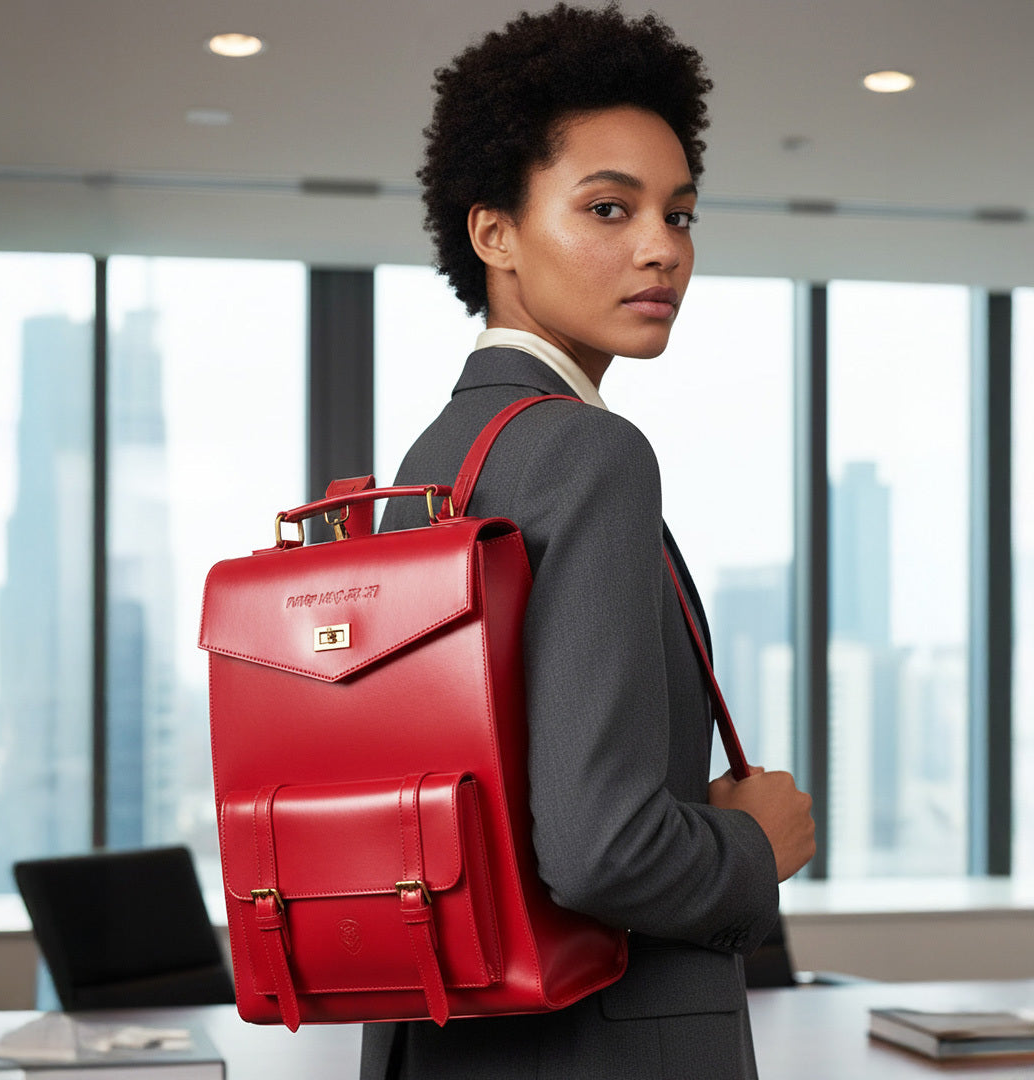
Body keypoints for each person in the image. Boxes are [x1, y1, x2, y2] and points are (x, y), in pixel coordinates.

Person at [361, 5, 816, 1078]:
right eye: (609, 209)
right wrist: (758, 844)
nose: (662, 247)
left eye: (681, 213)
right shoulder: (590, 455)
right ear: (494, 234)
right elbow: (600, 851)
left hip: (442, 1045)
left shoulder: (433, 461)